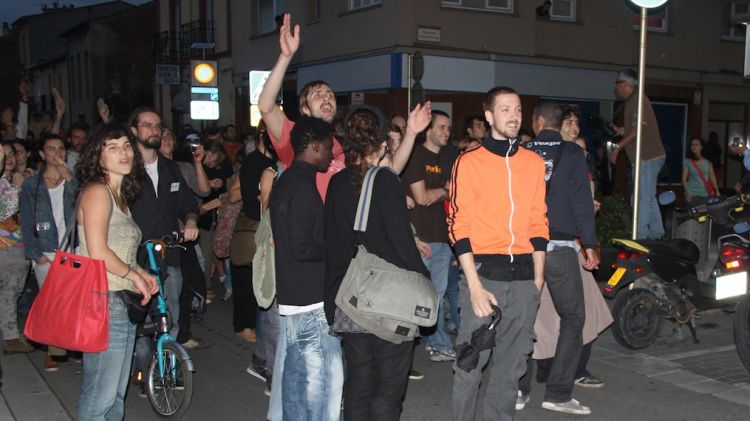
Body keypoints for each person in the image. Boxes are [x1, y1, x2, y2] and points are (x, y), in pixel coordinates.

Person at [325, 104, 431, 420]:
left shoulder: (337, 182)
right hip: (387, 301)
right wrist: (424, 279)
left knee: (358, 383)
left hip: (350, 297)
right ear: (383, 144)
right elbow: (401, 244)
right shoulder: (385, 182)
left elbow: (332, 243)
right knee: (387, 387)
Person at [449, 86, 548, 421]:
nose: (514, 116)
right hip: (484, 276)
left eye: (518, 109)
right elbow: (458, 226)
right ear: (489, 116)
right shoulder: (469, 162)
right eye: (505, 109)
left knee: (510, 371)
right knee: (470, 364)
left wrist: (537, 278)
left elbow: (539, 221)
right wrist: (474, 286)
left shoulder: (533, 164)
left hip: (523, 280)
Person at [519, 102, 600, 415]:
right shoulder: (572, 153)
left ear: (538, 121)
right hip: (560, 248)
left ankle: (518, 388)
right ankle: (558, 392)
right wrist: (589, 244)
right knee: (573, 318)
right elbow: (581, 202)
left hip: (525, 246)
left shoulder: (521, 151)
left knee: (522, 316)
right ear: (560, 122)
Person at [75, 122, 158, 420]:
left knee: (115, 396)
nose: (123, 152)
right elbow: (98, 251)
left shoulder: (119, 195)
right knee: (100, 395)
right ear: (97, 156)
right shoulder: (98, 191)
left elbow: (117, 250)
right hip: (102, 300)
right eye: (112, 147)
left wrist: (140, 272)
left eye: (126, 145)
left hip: (118, 299)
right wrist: (133, 274)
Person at [268, 116, 343, 420]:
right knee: (323, 385)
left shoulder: (287, 180)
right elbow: (302, 247)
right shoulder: (300, 186)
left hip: (294, 298)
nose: (332, 155)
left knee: (297, 383)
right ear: (313, 146)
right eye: (328, 148)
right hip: (311, 302)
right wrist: (333, 249)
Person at [128, 107, 199, 386]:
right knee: (139, 321)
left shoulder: (170, 168)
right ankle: (144, 370)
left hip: (168, 254)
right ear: (134, 130)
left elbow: (187, 203)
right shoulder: (126, 167)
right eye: (147, 125)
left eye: (158, 126)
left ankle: (168, 370)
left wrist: (191, 220)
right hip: (134, 258)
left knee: (171, 315)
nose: (154, 130)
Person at [19, 133, 77, 369]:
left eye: (61, 149)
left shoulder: (74, 180)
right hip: (46, 250)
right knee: (52, 302)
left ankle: (73, 343)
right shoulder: (32, 184)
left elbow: (84, 207)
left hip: (73, 248)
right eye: (51, 149)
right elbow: (26, 220)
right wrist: (36, 254)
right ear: (42, 154)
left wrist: (70, 180)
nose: (57, 154)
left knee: (72, 301)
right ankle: (53, 350)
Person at [402, 110, 456, 363]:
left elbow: (461, 189)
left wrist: (443, 191)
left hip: (443, 238)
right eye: (442, 127)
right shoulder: (415, 156)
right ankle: (419, 342)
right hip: (420, 237)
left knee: (437, 294)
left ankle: (433, 340)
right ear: (428, 130)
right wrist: (446, 189)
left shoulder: (450, 156)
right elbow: (422, 197)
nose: (447, 132)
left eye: (448, 128)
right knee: (418, 294)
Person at [158, 127, 211, 350]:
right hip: (161, 241)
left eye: (170, 135)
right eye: (162, 136)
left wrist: (198, 162)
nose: (167, 140)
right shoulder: (147, 169)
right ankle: (166, 342)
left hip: (185, 239)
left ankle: (180, 335)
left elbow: (204, 191)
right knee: (167, 292)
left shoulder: (182, 167)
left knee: (187, 286)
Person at [610, 68, 667, 239]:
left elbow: (639, 129)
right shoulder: (634, 101)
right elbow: (636, 129)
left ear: (626, 85)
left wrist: (618, 148)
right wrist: (621, 130)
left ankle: (640, 236)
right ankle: (657, 233)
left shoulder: (638, 101)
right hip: (649, 156)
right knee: (647, 197)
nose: (616, 87)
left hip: (646, 157)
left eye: (618, 84)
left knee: (641, 198)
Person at [0, 142, 33, 355]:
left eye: (12, 153)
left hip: (23, 243)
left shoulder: (15, 179)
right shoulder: (5, 183)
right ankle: (11, 337)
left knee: (15, 290)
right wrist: (17, 187)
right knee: (9, 291)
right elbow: (4, 212)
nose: (9, 158)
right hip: (6, 245)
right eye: (5, 155)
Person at [682, 137, 719, 205]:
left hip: (705, 194)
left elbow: (712, 177)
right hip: (692, 194)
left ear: (701, 147)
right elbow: (684, 179)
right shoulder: (687, 161)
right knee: (692, 215)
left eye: (696, 144)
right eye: (692, 145)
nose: (694, 147)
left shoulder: (707, 162)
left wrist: (717, 190)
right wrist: (688, 193)